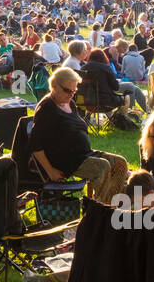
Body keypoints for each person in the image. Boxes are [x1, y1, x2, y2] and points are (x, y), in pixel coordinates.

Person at [27, 67, 129, 202]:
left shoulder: (70, 104)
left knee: (120, 163)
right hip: (65, 159)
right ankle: (99, 209)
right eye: (67, 90)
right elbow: (35, 143)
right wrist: (50, 170)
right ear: (54, 86)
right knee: (102, 167)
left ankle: (107, 204)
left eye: (74, 91)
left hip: (83, 154)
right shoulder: (47, 108)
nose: (71, 94)